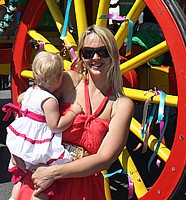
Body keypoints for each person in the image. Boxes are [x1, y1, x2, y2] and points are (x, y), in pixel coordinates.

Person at [15, 24, 134, 200]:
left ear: (113, 55)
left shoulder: (121, 105)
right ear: (81, 56)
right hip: (41, 182)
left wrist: (53, 173)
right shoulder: (68, 81)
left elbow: (105, 158)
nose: (95, 57)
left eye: (103, 51)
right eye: (88, 53)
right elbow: (26, 101)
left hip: (81, 188)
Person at [2, 51, 83, 200]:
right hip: (35, 145)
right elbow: (55, 126)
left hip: (21, 141)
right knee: (45, 181)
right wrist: (73, 112)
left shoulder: (30, 91)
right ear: (57, 80)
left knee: (22, 176)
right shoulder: (49, 100)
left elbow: (19, 100)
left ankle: (13, 198)